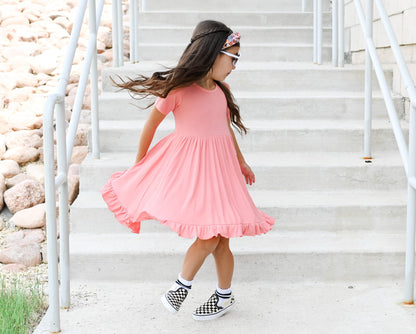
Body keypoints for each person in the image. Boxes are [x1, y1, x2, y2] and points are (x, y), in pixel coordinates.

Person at [101, 20, 274, 321]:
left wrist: (241, 161)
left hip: (221, 172)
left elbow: (224, 127)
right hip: (195, 172)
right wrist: (140, 165)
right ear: (213, 54)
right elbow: (151, 125)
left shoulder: (221, 90)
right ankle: (184, 286)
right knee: (210, 236)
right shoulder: (179, 91)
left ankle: (222, 296)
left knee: (222, 240)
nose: (235, 65)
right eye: (233, 58)